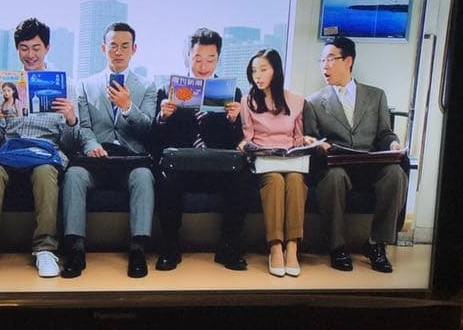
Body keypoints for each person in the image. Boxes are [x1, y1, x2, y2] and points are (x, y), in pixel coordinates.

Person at [0, 18, 80, 279]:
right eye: (24, 48)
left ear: (47, 48)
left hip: (46, 152)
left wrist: (71, 118)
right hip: (10, 152)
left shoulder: (67, 86)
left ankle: (45, 249)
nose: (30, 54)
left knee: (45, 173)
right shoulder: (4, 86)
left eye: (36, 48)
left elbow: (71, 143)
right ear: (17, 49)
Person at [151, 28, 257, 271]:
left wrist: (233, 121)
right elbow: (156, 141)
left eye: (211, 59)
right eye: (197, 58)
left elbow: (236, 142)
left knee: (242, 178)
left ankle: (229, 248)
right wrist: (163, 118)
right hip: (182, 166)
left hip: (217, 166)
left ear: (218, 58)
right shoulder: (167, 90)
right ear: (187, 56)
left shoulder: (232, 93)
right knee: (166, 178)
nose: (203, 66)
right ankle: (169, 247)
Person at [61, 22, 157, 279]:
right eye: (113, 46)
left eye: (125, 46)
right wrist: (91, 145)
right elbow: (83, 126)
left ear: (134, 50)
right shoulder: (85, 85)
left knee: (144, 177)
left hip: (130, 160)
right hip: (96, 159)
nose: (118, 52)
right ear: (103, 49)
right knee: (74, 175)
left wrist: (128, 107)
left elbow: (147, 129)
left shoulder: (147, 86)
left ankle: (138, 250)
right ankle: (75, 249)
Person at [304, 37, 407, 273]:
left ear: (348, 61)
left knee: (395, 174)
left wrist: (393, 144)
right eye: (322, 61)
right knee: (333, 177)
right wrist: (317, 145)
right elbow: (312, 138)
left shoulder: (376, 96)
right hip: (336, 165)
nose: (324, 66)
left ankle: (377, 244)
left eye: (330, 59)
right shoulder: (313, 102)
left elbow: (384, 133)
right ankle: (337, 246)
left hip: (370, 165)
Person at [239, 49, 307, 277]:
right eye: (254, 71)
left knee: (296, 180)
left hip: (291, 160)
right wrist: (245, 146)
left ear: (275, 71)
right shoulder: (247, 102)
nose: (257, 76)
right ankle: (275, 246)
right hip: (264, 163)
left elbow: (298, 138)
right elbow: (248, 138)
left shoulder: (296, 101)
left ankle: (293, 247)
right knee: (275, 181)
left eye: (263, 70)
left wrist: (306, 142)